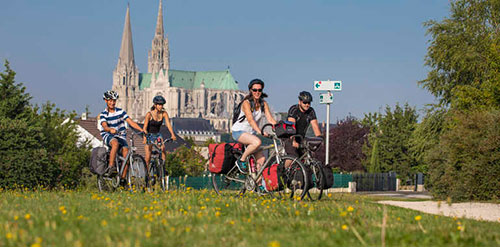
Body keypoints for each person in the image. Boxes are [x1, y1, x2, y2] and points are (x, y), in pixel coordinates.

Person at [231, 79, 277, 174]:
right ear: (251, 91)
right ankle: (241, 160)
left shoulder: (263, 104)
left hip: (250, 134)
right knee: (257, 142)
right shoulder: (246, 103)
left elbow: (270, 119)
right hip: (239, 132)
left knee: (261, 160)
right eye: (255, 90)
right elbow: (250, 120)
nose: (257, 92)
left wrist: (281, 128)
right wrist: (260, 132)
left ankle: (258, 185)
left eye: (259, 90)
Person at [98, 90, 144, 180]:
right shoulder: (104, 114)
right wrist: (110, 129)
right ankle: (111, 167)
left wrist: (142, 130)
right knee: (115, 143)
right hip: (108, 135)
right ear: (106, 101)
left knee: (126, 152)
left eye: (114, 101)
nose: (112, 103)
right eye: (110, 100)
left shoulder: (120, 112)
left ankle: (122, 178)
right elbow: (104, 126)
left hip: (120, 135)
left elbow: (131, 122)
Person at [284, 91, 322, 160]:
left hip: (301, 138)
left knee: (308, 156)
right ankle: (283, 169)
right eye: (304, 102)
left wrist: (320, 140)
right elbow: (290, 127)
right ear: (299, 102)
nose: (307, 105)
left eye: (309, 103)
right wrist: (293, 141)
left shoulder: (311, 111)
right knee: (293, 156)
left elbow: (315, 126)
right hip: (289, 137)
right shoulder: (294, 109)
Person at [142, 95, 177, 171]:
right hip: (149, 135)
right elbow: (144, 128)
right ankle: (146, 173)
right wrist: (145, 137)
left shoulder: (164, 114)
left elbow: (168, 125)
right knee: (148, 156)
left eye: (162, 105)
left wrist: (172, 134)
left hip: (157, 134)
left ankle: (163, 167)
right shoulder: (149, 114)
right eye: (159, 105)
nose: (161, 106)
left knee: (163, 148)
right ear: (155, 105)